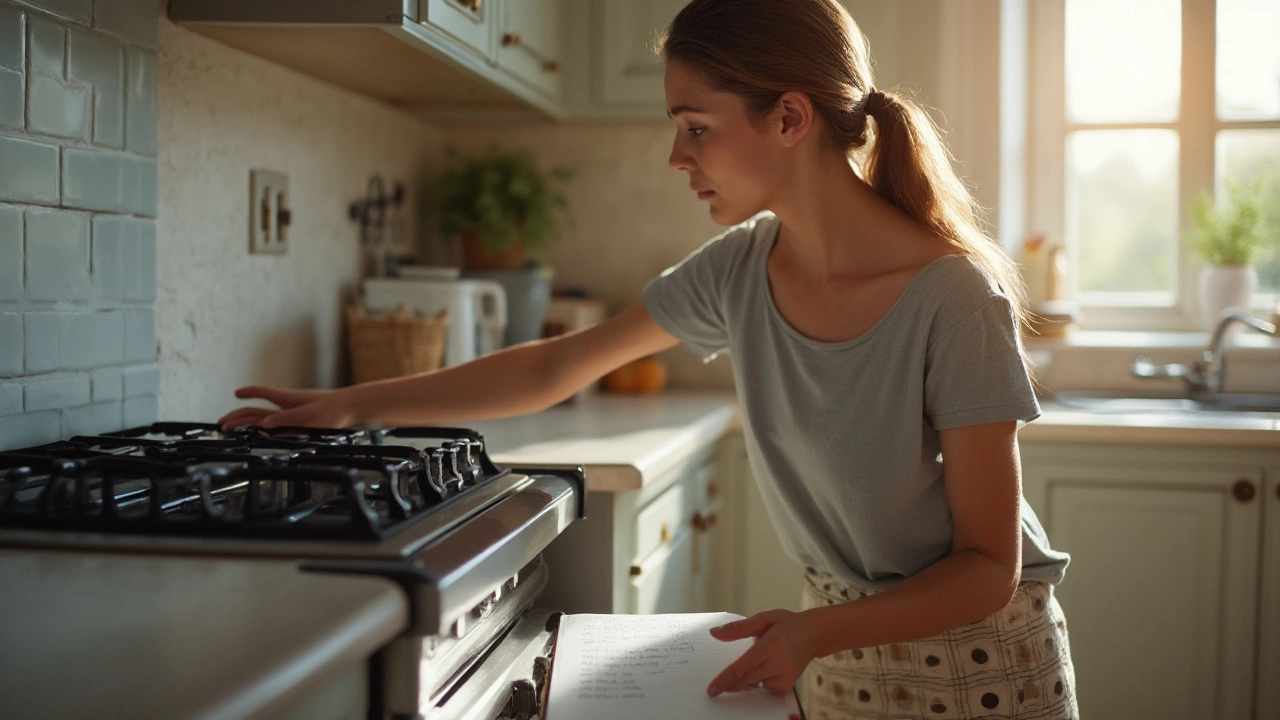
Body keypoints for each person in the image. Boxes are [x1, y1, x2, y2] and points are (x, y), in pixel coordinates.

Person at [219, 1, 1077, 717]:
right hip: (833, 650)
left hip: (982, 666)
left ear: (789, 118)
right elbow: (553, 367)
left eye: (696, 128)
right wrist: (352, 406)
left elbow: (987, 572)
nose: (678, 158)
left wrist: (815, 633)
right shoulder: (743, 268)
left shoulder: (953, 299)